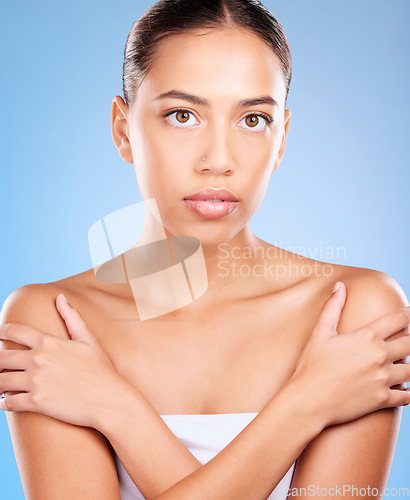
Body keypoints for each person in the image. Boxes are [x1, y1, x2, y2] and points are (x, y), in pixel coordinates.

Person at [1, 0, 409, 498]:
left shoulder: (356, 312)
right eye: (182, 114)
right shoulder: (51, 325)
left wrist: (113, 408)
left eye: (253, 120)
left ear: (281, 139)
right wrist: (308, 403)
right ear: (123, 129)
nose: (218, 160)